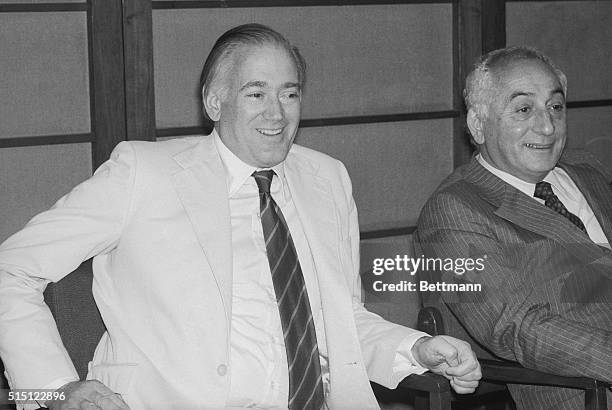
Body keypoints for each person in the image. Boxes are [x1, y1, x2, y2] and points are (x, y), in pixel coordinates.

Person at [0, 24, 480, 410]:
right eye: (256, 94)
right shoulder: (143, 174)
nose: (277, 113)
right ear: (215, 101)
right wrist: (54, 388)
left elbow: (341, 317)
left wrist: (414, 350)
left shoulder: (326, 178)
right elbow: (10, 270)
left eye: (289, 94)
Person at [416, 46, 612, 409]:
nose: (547, 126)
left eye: (556, 107)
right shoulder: (454, 212)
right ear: (478, 124)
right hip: (589, 390)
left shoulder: (588, 170)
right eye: (524, 109)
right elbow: (517, 327)